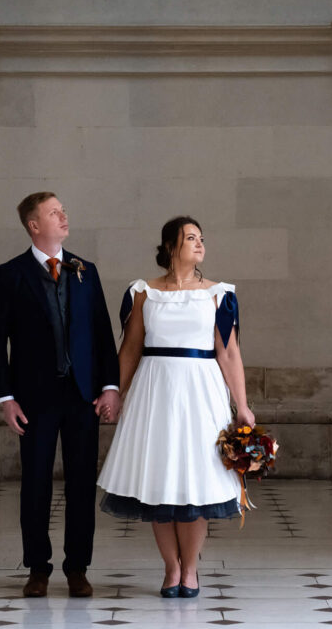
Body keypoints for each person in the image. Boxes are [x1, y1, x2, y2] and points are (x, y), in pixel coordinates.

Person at [97, 216, 254, 598]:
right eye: (190, 238)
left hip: (201, 392)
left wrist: (243, 406)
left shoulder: (219, 293)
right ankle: (171, 568)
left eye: (202, 237)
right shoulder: (143, 292)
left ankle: (192, 570)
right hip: (155, 392)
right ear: (170, 247)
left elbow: (228, 352)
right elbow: (131, 347)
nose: (199, 244)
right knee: (160, 479)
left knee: (196, 481)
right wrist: (114, 391)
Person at [0, 192, 122, 598]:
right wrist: (5, 397)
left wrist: (110, 387)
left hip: (82, 397)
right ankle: (38, 569)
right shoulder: (9, 275)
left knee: (81, 483)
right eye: (54, 212)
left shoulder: (86, 271)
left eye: (63, 209)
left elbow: (102, 333)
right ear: (33, 225)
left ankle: (77, 568)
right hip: (34, 399)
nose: (64, 216)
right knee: (36, 483)